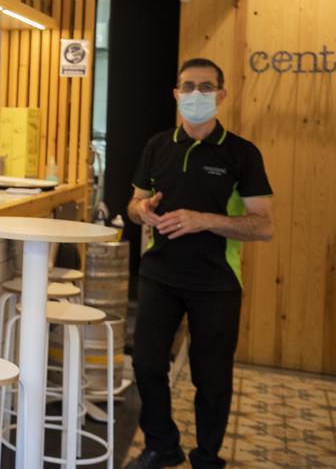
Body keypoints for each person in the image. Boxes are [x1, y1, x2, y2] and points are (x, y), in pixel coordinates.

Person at [124, 58, 274, 469]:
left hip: (217, 282)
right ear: (175, 94)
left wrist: (202, 220)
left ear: (221, 95)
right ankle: (161, 445)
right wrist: (144, 210)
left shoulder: (242, 154)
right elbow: (134, 205)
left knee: (212, 378)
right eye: (187, 87)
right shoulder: (157, 146)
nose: (195, 95)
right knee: (147, 363)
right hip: (159, 275)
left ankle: (207, 457)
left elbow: (264, 226)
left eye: (205, 88)